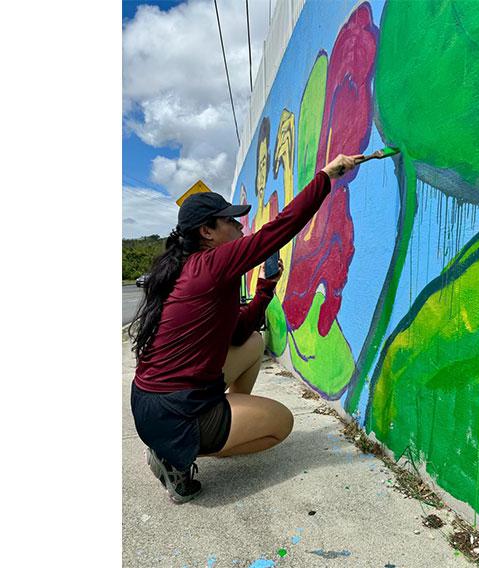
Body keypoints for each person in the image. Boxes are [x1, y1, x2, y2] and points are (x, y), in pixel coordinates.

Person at [128, 153, 364, 503]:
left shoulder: (190, 268)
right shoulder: (211, 263)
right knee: (280, 424)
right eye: (231, 221)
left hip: (153, 402)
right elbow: (279, 229)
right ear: (207, 231)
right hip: (173, 413)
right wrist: (327, 177)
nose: (241, 226)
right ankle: (174, 459)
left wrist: (266, 289)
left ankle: (226, 420)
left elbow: (239, 334)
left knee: (253, 343)